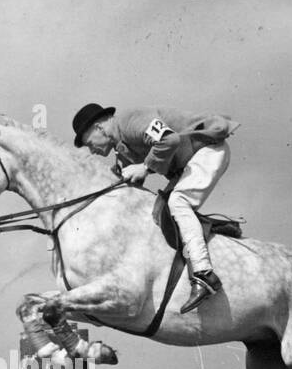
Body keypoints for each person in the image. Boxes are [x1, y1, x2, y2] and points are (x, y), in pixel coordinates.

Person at [72, 102, 238, 314]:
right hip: (189, 163)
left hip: (208, 150)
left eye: (88, 143)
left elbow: (170, 139)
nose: (92, 150)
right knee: (159, 210)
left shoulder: (132, 121)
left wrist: (145, 167)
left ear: (99, 128)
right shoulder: (121, 147)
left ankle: (204, 274)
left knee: (178, 202)